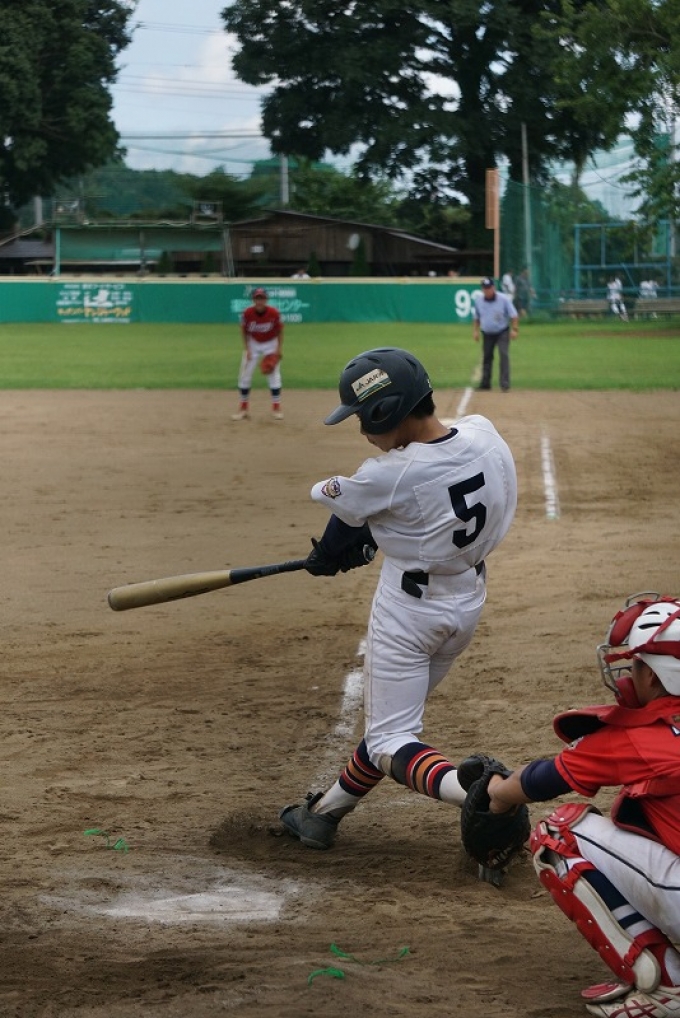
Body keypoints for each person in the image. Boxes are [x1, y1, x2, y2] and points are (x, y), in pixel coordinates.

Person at [279, 347, 517, 850]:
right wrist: (378, 536)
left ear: (385, 412)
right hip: (467, 601)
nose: (362, 430)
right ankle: (323, 814)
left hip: (410, 615)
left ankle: (487, 794)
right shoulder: (483, 432)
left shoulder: (388, 474)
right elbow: (421, 506)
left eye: (362, 417)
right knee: (391, 723)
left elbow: (345, 510)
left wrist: (329, 554)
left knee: (391, 740)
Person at [484, 593, 680, 1018]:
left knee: (558, 833)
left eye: (637, 664)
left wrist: (495, 793)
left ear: (655, 675)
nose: (629, 673)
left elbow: (540, 781)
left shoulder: (642, 737)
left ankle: (668, 987)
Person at [232, 287, 284, 421]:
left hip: (271, 343)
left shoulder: (274, 313)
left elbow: (279, 331)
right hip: (253, 343)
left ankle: (276, 409)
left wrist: (278, 349)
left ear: (266, 300)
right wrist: (247, 349)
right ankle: (243, 409)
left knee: (274, 375)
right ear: (253, 300)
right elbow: (244, 331)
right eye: (257, 298)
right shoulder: (247, 313)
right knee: (245, 375)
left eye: (262, 298)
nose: (259, 301)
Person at [472, 277, 519, 392]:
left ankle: (505, 383)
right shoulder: (479, 301)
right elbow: (477, 317)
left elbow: (514, 315)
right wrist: (475, 331)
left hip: (502, 331)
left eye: (489, 288)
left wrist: (514, 329)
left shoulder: (503, 299)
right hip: (487, 333)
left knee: (503, 354)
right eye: (485, 288)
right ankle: (485, 383)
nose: (487, 290)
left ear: (493, 288)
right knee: (487, 356)